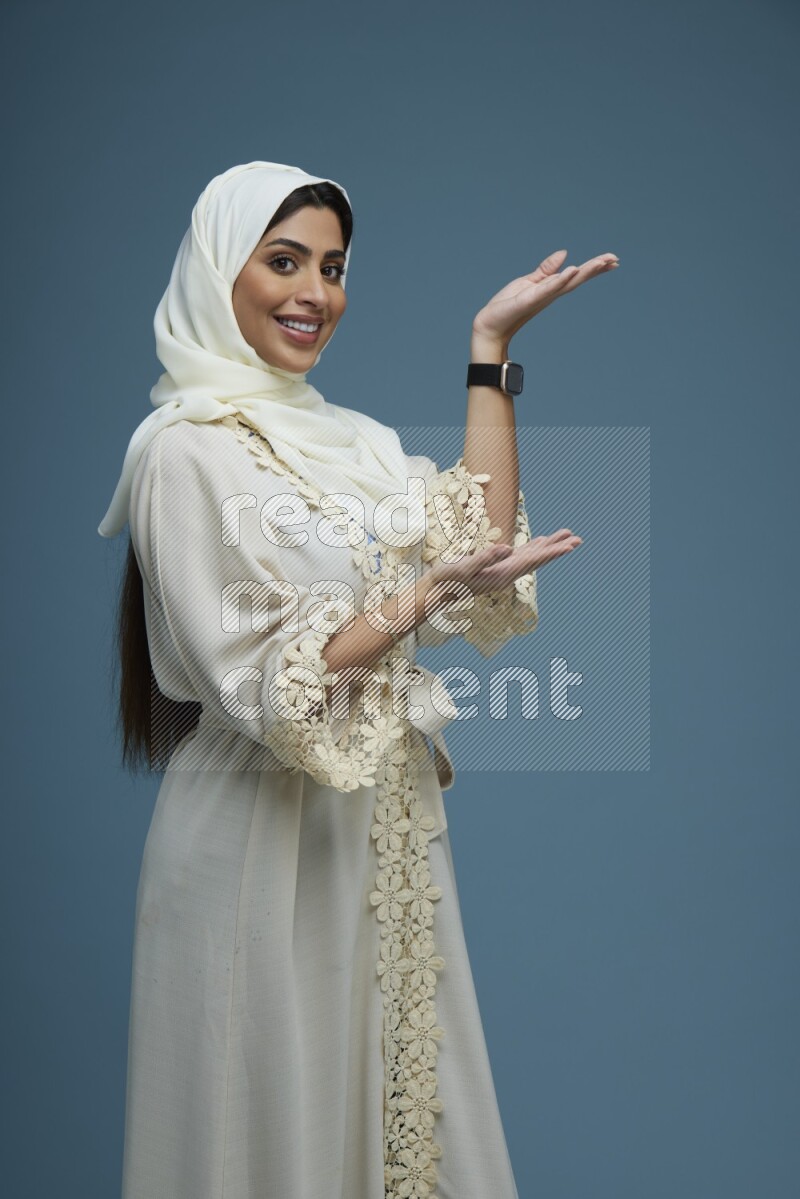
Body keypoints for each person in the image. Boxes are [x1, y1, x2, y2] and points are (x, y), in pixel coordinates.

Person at [98, 160, 617, 1199]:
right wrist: (416, 600)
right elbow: (257, 675)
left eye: (331, 268)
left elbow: (466, 527)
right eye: (282, 260)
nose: (314, 292)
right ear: (216, 270)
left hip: (376, 825)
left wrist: (488, 354)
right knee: (268, 1121)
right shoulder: (181, 453)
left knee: (404, 1114)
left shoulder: (352, 443)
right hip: (254, 833)